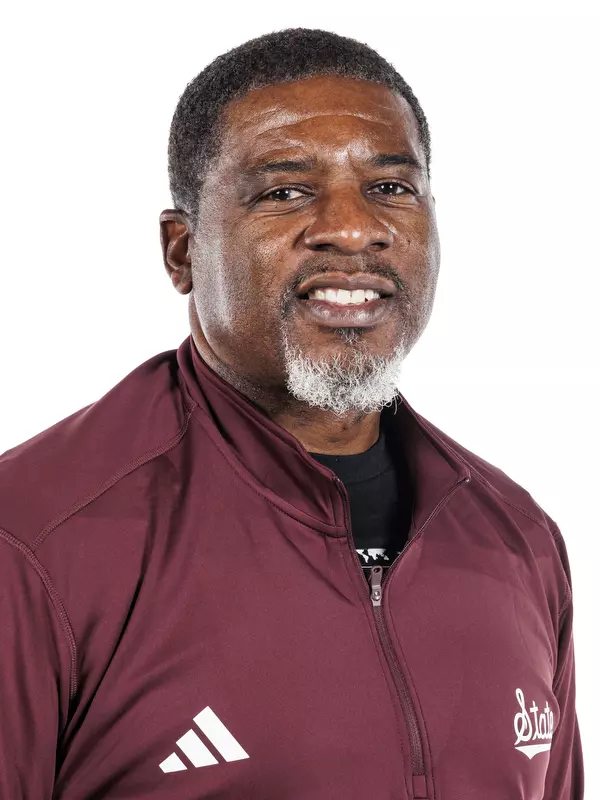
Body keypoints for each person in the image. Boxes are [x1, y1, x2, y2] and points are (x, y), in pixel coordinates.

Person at [0, 27, 584, 800]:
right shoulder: (32, 540)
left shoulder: (521, 540)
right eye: (285, 191)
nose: (353, 228)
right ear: (181, 251)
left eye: (391, 188)